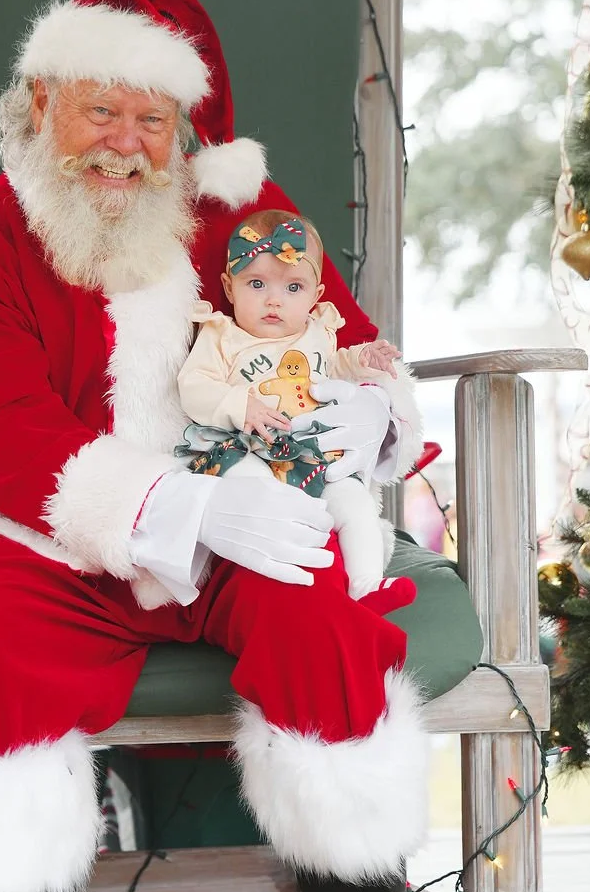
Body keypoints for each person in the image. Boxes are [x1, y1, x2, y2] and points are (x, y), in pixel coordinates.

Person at [0, 0, 436, 892]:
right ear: (40, 100)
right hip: (64, 537)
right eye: (103, 109)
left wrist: (355, 413)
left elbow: (343, 347)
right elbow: (1, 435)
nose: (126, 144)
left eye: (154, 119)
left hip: (262, 520)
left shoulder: (246, 222)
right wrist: (179, 509)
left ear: (186, 130)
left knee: (331, 621)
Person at [175, 207, 419, 604]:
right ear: (229, 286)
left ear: (316, 295)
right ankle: (285, 582)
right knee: (254, 495)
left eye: (293, 288)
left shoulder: (319, 331)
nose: (274, 300)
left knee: (355, 504)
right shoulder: (222, 337)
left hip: (312, 455)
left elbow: (338, 367)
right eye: (256, 283)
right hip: (249, 449)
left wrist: (364, 360)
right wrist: (242, 404)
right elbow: (194, 385)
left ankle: (368, 587)